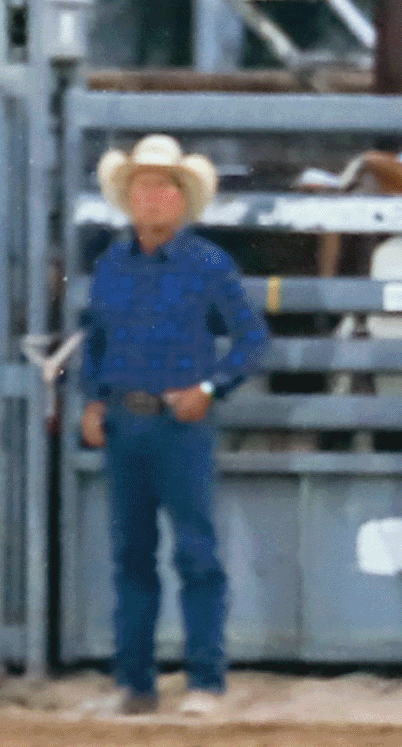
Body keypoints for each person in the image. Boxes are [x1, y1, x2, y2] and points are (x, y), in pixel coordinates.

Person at [79, 134, 268, 717]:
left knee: (195, 553)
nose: (153, 197)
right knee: (132, 555)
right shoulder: (112, 264)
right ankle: (135, 684)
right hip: (126, 423)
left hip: (182, 427)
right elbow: (96, 341)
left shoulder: (209, 265)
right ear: (129, 196)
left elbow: (251, 338)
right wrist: (91, 399)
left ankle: (205, 683)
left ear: (182, 199)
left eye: (164, 187)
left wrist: (210, 388)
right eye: (143, 186)